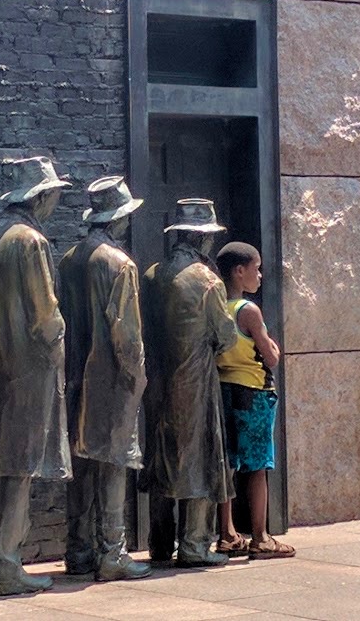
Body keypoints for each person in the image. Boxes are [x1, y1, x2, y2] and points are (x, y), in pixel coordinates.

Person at [0, 156, 73, 595]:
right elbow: (46, 318)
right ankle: (7, 566)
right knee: (17, 470)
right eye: (55, 195)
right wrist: (59, 347)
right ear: (40, 197)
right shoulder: (30, 242)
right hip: (23, 374)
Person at [59, 177, 151, 582]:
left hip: (74, 376)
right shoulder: (120, 264)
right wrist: (138, 378)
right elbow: (127, 335)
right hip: (110, 378)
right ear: (120, 220)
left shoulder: (69, 259)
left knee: (81, 462)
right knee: (113, 463)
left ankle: (78, 550)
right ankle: (112, 552)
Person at [141, 199, 237, 568]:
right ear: (199, 237)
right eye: (209, 237)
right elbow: (226, 336)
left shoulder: (152, 275)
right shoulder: (207, 281)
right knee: (199, 458)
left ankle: (160, 543)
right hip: (195, 382)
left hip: (159, 382)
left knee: (162, 456)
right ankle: (194, 545)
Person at [215, 242, 295, 560]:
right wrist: (271, 344)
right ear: (240, 271)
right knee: (258, 466)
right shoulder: (247, 311)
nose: (260, 275)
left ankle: (227, 534)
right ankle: (260, 537)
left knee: (229, 463)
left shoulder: (215, 306)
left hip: (225, 392)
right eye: (256, 268)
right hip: (254, 393)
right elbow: (271, 356)